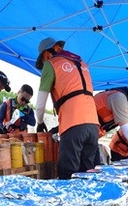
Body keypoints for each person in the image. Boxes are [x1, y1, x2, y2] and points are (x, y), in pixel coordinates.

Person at [34, 37, 100, 179]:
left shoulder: (51, 64)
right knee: (87, 175)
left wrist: (40, 123)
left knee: (67, 175)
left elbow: (39, 106)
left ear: (46, 54)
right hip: (93, 125)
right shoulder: (82, 63)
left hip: (73, 125)